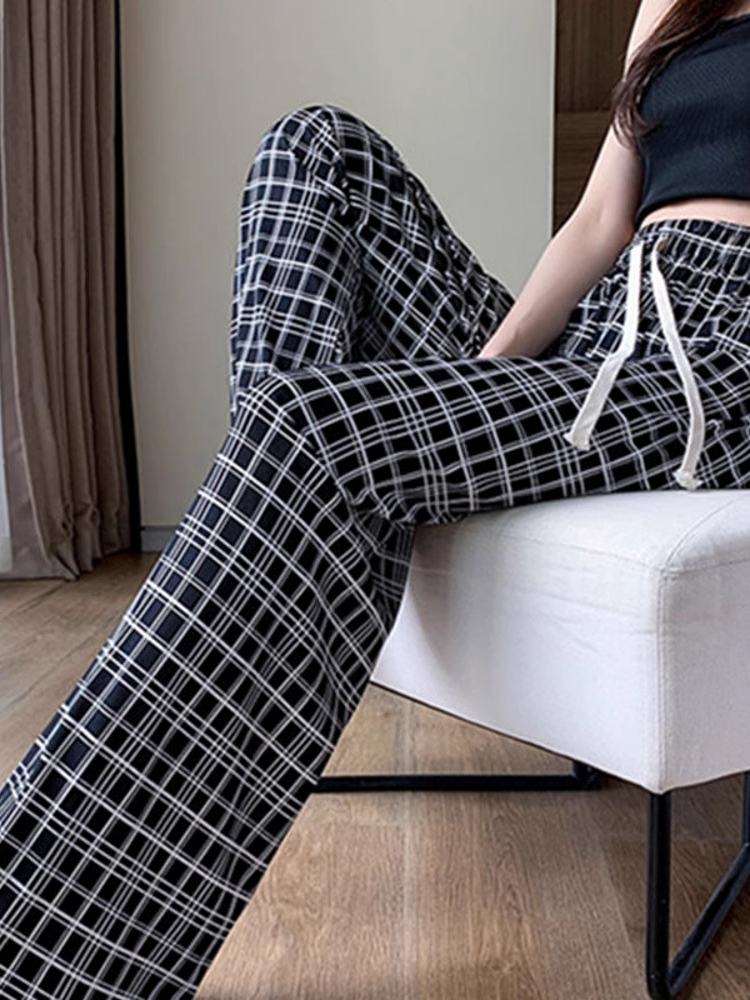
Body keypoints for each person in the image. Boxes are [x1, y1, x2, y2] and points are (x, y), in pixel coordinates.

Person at [2, 0, 750, 996]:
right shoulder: (676, 4)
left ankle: (34, 958)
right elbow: (596, 226)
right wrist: (472, 390)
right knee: (315, 149)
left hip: (715, 362)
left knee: (311, 428)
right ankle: (283, 555)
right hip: (599, 337)